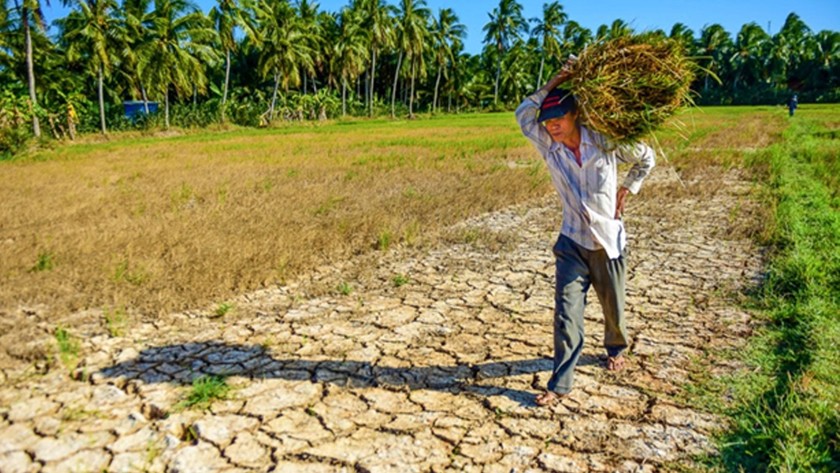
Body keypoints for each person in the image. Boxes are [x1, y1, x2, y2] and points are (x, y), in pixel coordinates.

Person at [515, 69, 655, 407]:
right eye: (547, 121)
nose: (551, 126)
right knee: (566, 313)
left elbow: (646, 157)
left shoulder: (605, 141)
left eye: (558, 117)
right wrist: (554, 83)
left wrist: (628, 187)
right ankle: (560, 384)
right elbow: (522, 115)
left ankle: (615, 348)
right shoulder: (550, 147)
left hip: (607, 242)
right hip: (571, 242)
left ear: (575, 114)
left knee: (613, 309)